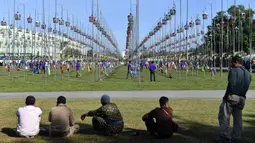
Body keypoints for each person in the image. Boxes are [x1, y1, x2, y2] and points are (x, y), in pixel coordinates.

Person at [216, 55, 251, 142]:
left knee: (224, 116)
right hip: (242, 97)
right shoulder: (248, 73)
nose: (231, 64)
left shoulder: (233, 70)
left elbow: (231, 84)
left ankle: (226, 136)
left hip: (232, 96)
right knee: (238, 118)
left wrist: (227, 94)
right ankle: (236, 136)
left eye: (232, 62)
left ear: (235, 62)